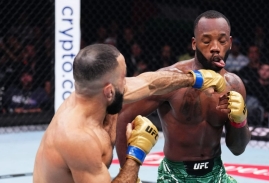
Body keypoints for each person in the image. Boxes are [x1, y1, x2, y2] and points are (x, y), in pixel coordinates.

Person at [33, 43, 226, 183]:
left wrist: (194, 79)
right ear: (109, 91)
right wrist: (136, 153)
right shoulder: (78, 138)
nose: (128, 83)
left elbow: (149, 82)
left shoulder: (96, 96)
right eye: (123, 78)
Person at [116, 10, 251, 183]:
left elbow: (237, 149)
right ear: (194, 44)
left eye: (222, 41)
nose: (215, 47)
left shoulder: (234, 85)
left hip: (216, 174)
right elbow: (123, 117)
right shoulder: (170, 81)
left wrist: (240, 121)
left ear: (230, 43)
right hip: (174, 176)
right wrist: (128, 175)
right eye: (206, 41)